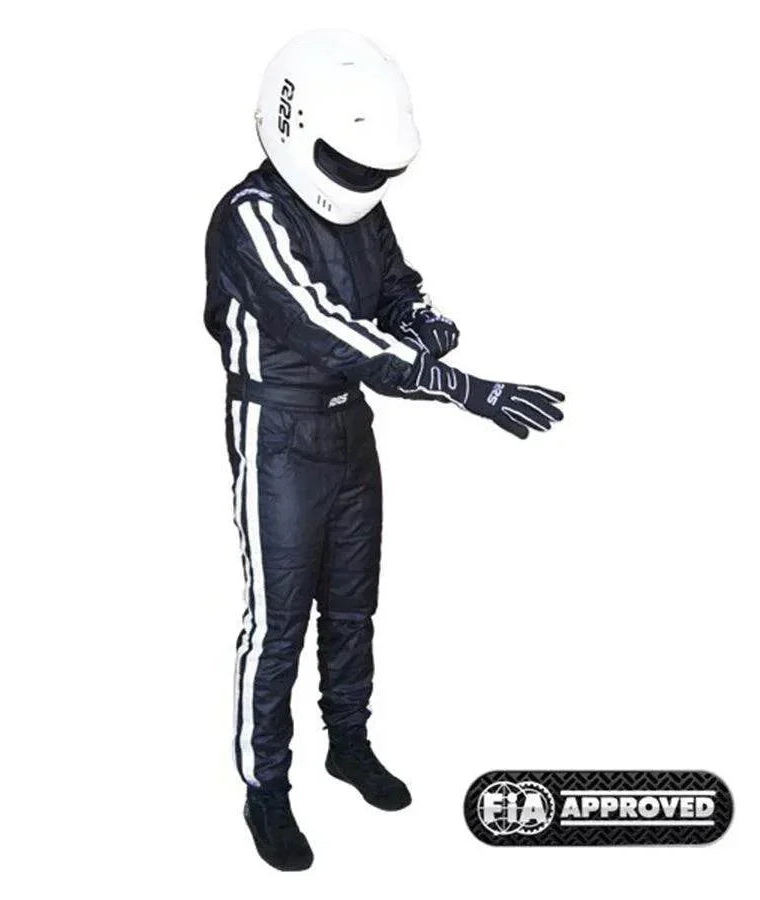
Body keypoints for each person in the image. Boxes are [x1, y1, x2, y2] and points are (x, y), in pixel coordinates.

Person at [204, 29, 565, 870]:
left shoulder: (358, 205)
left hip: (348, 429)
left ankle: (349, 743)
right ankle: (266, 789)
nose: (363, 185)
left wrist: (421, 320)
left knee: (352, 604)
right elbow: (328, 329)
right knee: (278, 623)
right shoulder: (250, 217)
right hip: (278, 431)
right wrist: (464, 387)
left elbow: (391, 284)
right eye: (352, 167)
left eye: (375, 172)